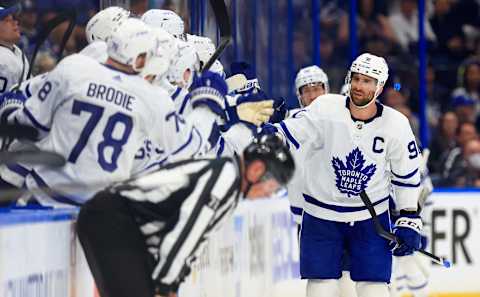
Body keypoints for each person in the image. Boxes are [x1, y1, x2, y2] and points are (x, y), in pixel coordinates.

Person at [0, 18, 227, 206]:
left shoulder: (74, 67)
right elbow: (190, 146)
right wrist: (208, 104)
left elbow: (31, 129)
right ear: (137, 58)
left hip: (41, 197)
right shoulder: (152, 97)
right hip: (97, 213)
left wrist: (11, 106)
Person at [261, 52, 423, 297]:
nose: (359, 86)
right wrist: (267, 131)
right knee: (321, 286)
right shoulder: (326, 108)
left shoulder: (396, 124)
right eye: (356, 78)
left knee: (374, 287)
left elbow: (407, 176)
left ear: (380, 87)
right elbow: (292, 133)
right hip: (320, 214)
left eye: (367, 81)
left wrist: (409, 218)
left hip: (371, 219)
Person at [76, 134, 295, 297]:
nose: (269, 195)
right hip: (109, 219)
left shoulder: (230, 184)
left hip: (120, 224)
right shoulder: (225, 177)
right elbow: (186, 232)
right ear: (256, 170)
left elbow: (190, 241)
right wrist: (165, 286)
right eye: (272, 186)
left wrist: (169, 285)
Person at [0, 2, 29, 94]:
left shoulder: (16, 50)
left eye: (13, 18)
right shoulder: (2, 58)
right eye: (7, 20)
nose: (15, 22)